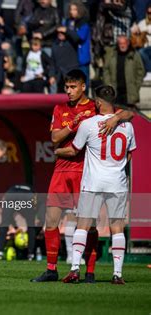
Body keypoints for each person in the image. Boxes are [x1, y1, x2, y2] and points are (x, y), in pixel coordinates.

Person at [31, 69, 134, 283]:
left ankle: (90, 271)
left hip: (83, 171)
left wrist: (115, 118)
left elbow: (128, 113)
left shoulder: (94, 107)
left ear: (83, 87)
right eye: (66, 87)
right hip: (61, 169)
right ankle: (51, 269)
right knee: (51, 221)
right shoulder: (60, 108)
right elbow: (54, 138)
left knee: (88, 224)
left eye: (73, 87)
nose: (68, 91)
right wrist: (72, 123)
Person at [56, 85, 136, 285]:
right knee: (117, 227)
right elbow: (129, 154)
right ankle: (117, 274)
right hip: (117, 182)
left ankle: (75, 269)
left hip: (93, 182)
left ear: (98, 103)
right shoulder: (127, 125)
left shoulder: (89, 124)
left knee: (83, 225)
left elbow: (74, 150)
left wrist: (57, 151)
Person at [103, 35, 145, 106]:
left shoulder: (134, 54)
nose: (122, 45)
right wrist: (108, 84)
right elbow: (106, 70)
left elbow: (141, 71)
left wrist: (136, 85)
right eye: (120, 43)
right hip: (115, 92)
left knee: (129, 114)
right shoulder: (111, 54)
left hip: (129, 92)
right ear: (118, 44)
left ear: (128, 43)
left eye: (124, 43)